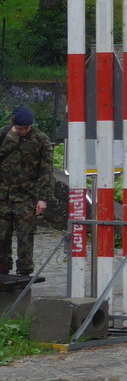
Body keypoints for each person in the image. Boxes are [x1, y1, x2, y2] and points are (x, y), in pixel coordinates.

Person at [0, 107, 54, 278]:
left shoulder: (40, 140)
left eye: (26, 128)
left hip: (26, 197)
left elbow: (46, 171)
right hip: (3, 196)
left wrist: (43, 198)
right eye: (20, 128)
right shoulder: (4, 135)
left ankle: (24, 275)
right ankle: (2, 273)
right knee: (1, 237)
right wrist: (11, 138)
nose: (23, 131)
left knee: (25, 238)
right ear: (13, 124)